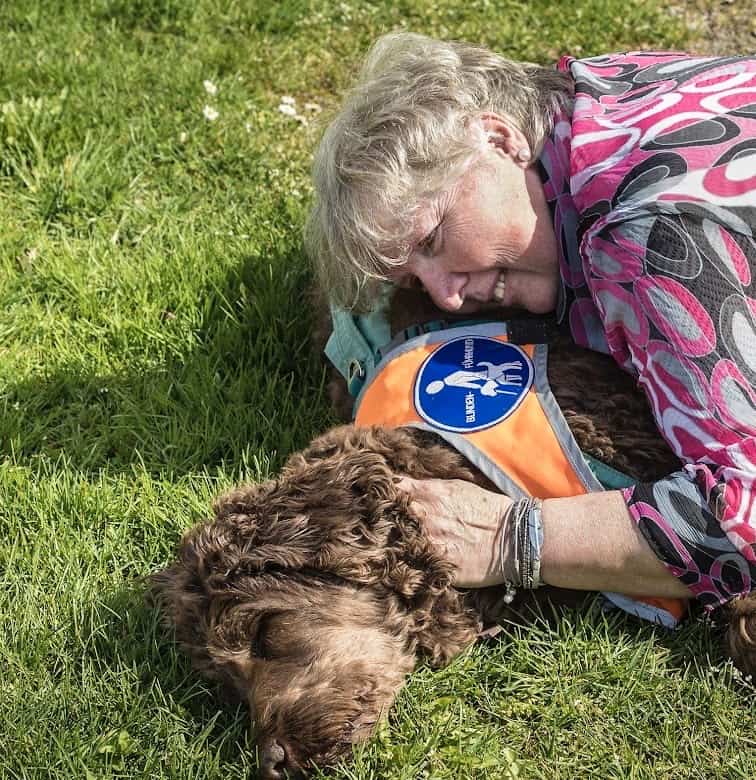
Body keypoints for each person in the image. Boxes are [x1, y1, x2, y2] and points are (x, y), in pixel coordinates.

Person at [305, 34, 756, 645]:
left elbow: (743, 517)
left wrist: (512, 537)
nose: (444, 296)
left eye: (434, 237)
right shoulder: (590, 100)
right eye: (415, 276)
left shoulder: (644, 241)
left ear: (498, 139)